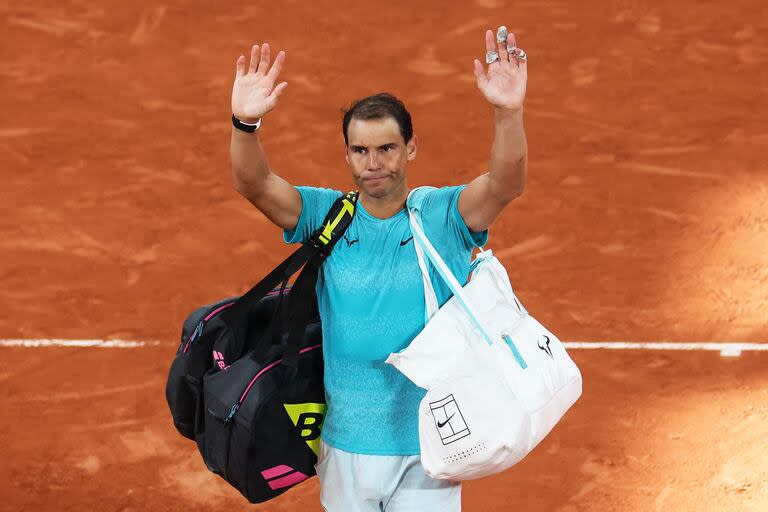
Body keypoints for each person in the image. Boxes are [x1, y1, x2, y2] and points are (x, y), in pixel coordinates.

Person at [229, 25, 528, 512]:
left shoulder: (444, 216)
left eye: (387, 148)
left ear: (410, 149)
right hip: (344, 446)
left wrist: (508, 112)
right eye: (361, 150)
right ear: (346, 154)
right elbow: (254, 183)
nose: (374, 163)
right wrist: (245, 123)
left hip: (430, 447)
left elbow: (504, 184)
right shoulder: (324, 216)